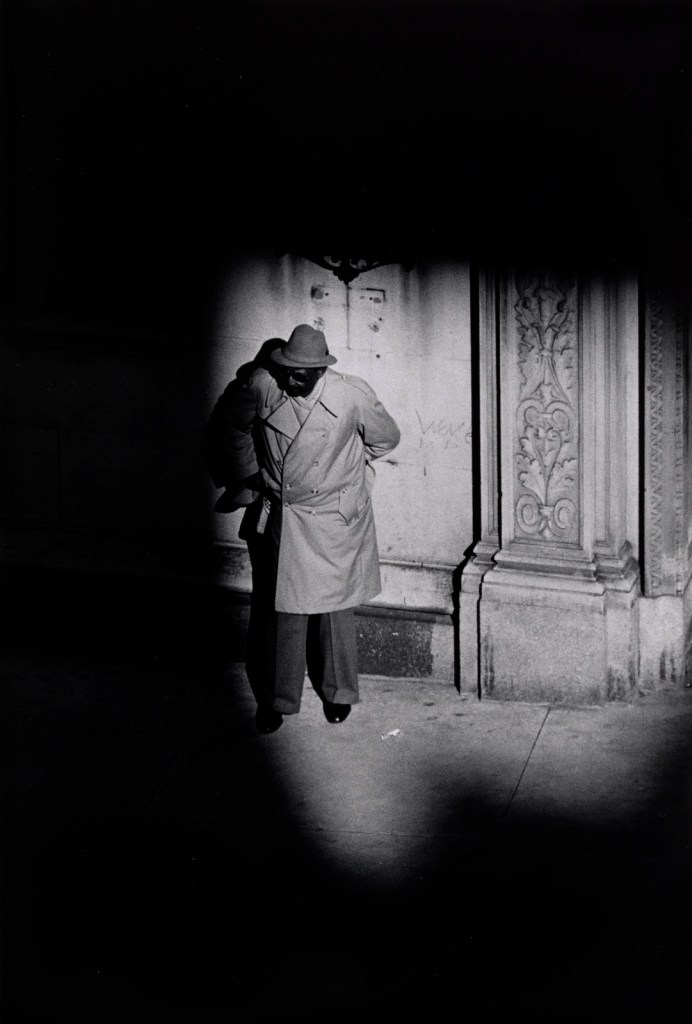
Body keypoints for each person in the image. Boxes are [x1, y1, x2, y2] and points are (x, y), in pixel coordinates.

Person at [205, 323, 400, 733]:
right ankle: (277, 699)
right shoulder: (261, 384)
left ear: (320, 370)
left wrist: (349, 480)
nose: (290, 378)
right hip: (287, 516)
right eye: (286, 369)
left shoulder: (351, 395)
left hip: (333, 519)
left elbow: (385, 440)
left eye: (300, 373)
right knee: (283, 611)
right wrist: (250, 474)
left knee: (334, 610)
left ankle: (338, 693)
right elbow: (227, 426)